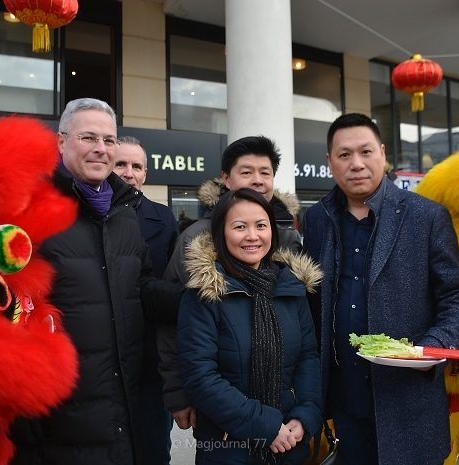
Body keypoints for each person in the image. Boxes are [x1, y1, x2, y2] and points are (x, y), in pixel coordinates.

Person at [10, 98, 180, 465]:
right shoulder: (30, 209)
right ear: (61, 142)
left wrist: (196, 298)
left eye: (109, 139)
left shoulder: (124, 213)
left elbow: (142, 288)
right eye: (89, 137)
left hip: (123, 404)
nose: (101, 149)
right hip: (59, 414)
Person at [302, 113, 459, 465]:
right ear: (329, 162)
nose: (357, 164)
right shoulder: (317, 218)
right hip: (343, 396)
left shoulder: (425, 216)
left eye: (366, 151)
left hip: (407, 395)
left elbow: (457, 296)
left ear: (382, 153)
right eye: (345, 155)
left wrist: (433, 348)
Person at [159, 136, 303, 431]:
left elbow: (305, 328)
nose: (257, 181)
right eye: (246, 172)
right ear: (226, 178)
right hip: (220, 403)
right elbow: (170, 319)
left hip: (284, 400)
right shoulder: (196, 237)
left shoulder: (288, 236)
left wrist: (306, 406)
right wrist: (177, 392)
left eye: (265, 172)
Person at [177, 188, 322, 464]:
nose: (252, 236)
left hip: (291, 441)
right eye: (240, 227)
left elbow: (308, 359)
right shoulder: (204, 293)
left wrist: (305, 416)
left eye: (261, 225)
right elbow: (200, 376)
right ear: (221, 232)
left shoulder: (291, 287)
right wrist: (265, 427)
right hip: (227, 445)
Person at [113, 135, 178, 465]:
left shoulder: (164, 218)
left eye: (136, 166)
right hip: (105, 358)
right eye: (120, 164)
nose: (128, 172)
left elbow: (173, 282)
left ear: (145, 173)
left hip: (152, 358)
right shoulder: (90, 216)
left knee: (154, 447)